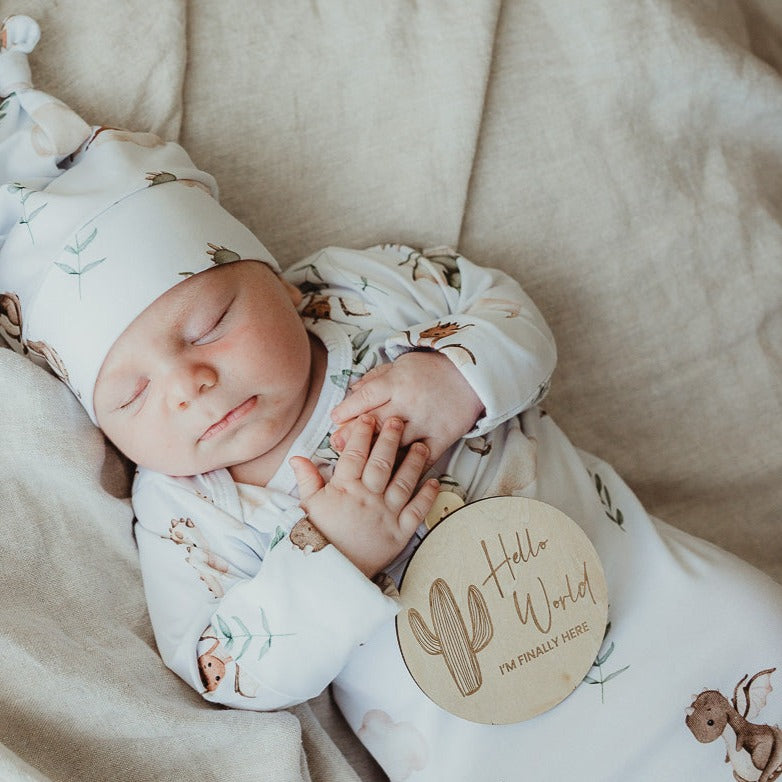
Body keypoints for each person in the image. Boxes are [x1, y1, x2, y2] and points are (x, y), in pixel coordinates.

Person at [2, 17, 781, 782]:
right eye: (132, 393)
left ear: (272, 277)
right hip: (495, 747)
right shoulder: (187, 512)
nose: (188, 386)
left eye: (208, 325)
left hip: (664, 605)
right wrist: (335, 553)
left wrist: (454, 377)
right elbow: (223, 667)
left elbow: (505, 310)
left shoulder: (352, 297)